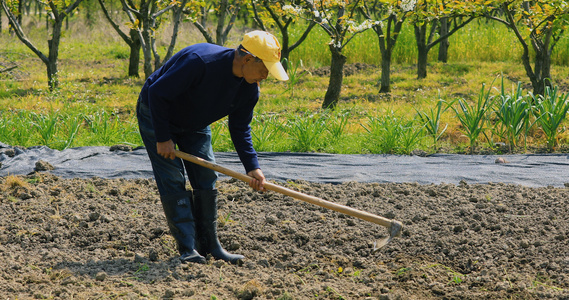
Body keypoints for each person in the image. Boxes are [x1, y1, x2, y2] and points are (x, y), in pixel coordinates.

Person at [136, 31, 289, 265]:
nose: (266, 75)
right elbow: (158, 92)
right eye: (265, 68)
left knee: (207, 175)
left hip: (195, 122)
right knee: (172, 177)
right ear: (248, 59)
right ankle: (188, 247)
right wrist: (163, 137)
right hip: (157, 114)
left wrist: (252, 167)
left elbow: (240, 129)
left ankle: (211, 245)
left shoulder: (249, 89)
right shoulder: (200, 62)